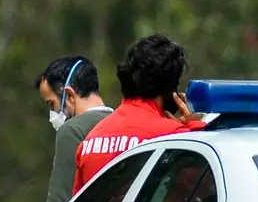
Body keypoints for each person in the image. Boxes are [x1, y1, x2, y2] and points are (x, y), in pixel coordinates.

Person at [73, 34, 202, 191]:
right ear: (169, 88)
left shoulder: (90, 142)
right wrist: (195, 126)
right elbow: (204, 191)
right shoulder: (176, 138)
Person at [38, 56, 113, 202]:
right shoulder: (124, 124)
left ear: (70, 96)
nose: (52, 116)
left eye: (52, 104)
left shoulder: (72, 131)